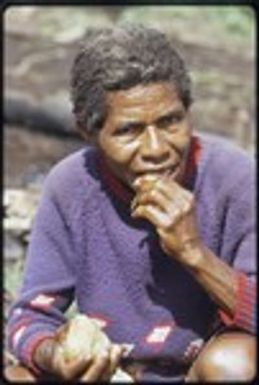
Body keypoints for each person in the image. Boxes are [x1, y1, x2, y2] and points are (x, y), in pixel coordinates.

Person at [6, 25, 256, 382]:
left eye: (170, 121)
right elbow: (31, 315)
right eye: (128, 131)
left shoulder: (235, 177)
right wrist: (55, 354)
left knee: (234, 366)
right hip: (117, 372)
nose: (156, 149)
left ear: (188, 111)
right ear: (88, 132)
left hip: (200, 370)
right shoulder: (73, 186)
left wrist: (193, 253)